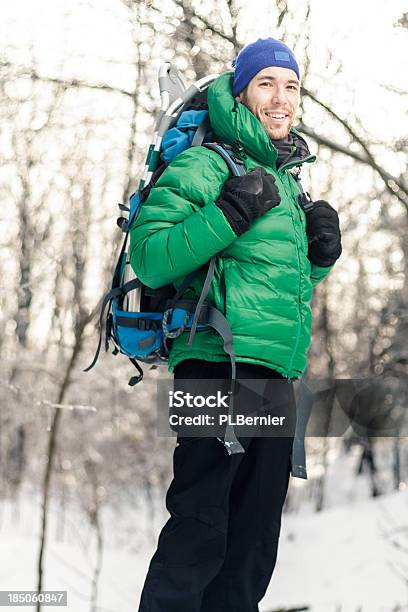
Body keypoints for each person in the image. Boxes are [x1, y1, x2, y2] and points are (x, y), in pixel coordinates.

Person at [130, 37, 342, 612]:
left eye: (291, 86)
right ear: (243, 91)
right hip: (212, 362)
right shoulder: (208, 164)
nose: (281, 98)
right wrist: (228, 212)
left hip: (272, 370)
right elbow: (151, 255)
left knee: (253, 542)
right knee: (201, 526)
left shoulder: (291, 183)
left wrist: (318, 256)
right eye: (267, 84)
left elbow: (271, 287)